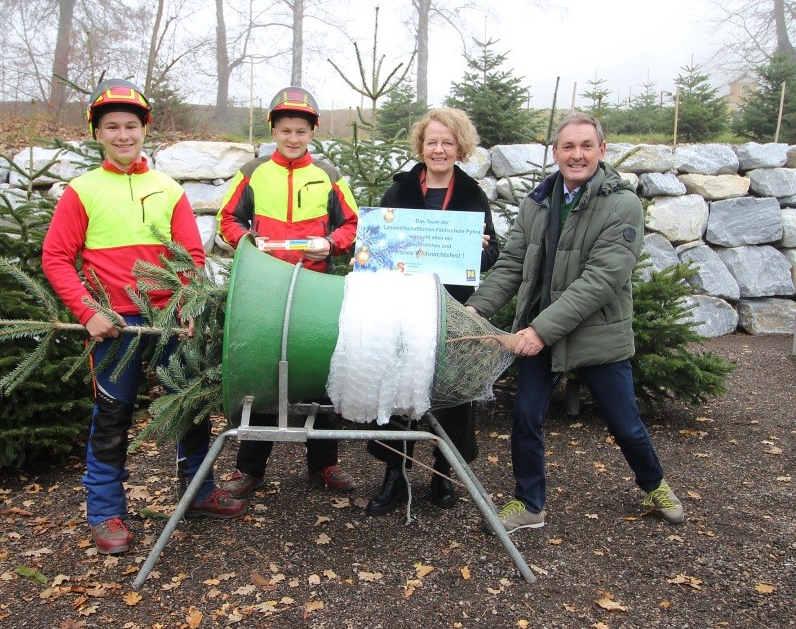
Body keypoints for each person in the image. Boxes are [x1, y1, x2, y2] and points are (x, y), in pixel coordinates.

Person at [42, 78, 246, 555]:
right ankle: (105, 512)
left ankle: (198, 492)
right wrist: (88, 312)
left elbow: (190, 256)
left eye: (130, 125)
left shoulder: (167, 189)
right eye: (112, 127)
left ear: (144, 129)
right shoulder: (82, 191)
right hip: (114, 326)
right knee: (113, 416)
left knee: (189, 407)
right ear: (97, 133)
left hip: (169, 321)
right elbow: (56, 258)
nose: (122, 135)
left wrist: (187, 306)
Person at [464, 112, 685, 533]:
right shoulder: (538, 201)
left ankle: (654, 484)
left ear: (602, 150)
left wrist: (539, 330)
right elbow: (511, 264)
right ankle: (530, 503)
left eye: (586, 146)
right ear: (556, 153)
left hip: (595, 334)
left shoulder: (622, 204)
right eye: (568, 146)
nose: (577, 155)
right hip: (541, 332)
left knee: (624, 423)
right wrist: (475, 310)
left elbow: (601, 280)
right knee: (526, 418)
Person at [216, 86, 360, 498]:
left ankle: (324, 463)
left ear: (312, 132)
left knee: (320, 368)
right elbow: (227, 220)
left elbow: (352, 225)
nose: (293, 138)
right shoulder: (252, 172)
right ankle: (250, 468)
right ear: (273, 131)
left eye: (300, 131)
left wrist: (330, 244)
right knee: (264, 370)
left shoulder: (329, 175)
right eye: (285, 130)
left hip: (317, 289)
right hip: (264, 289)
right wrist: (248, 242)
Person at [363, 108, 500, 516]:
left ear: (460, 147)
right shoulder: (398, 192)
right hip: (403, 306)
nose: (439, 149)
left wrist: (479, 250)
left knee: (453, 387)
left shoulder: (473, 195)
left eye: (448, 142)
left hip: (452, 308)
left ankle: (444, 471)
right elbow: (377, 249)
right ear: (421, 147)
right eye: (432, 142)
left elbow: (493, 251)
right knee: (396, 383)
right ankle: (395, 472)